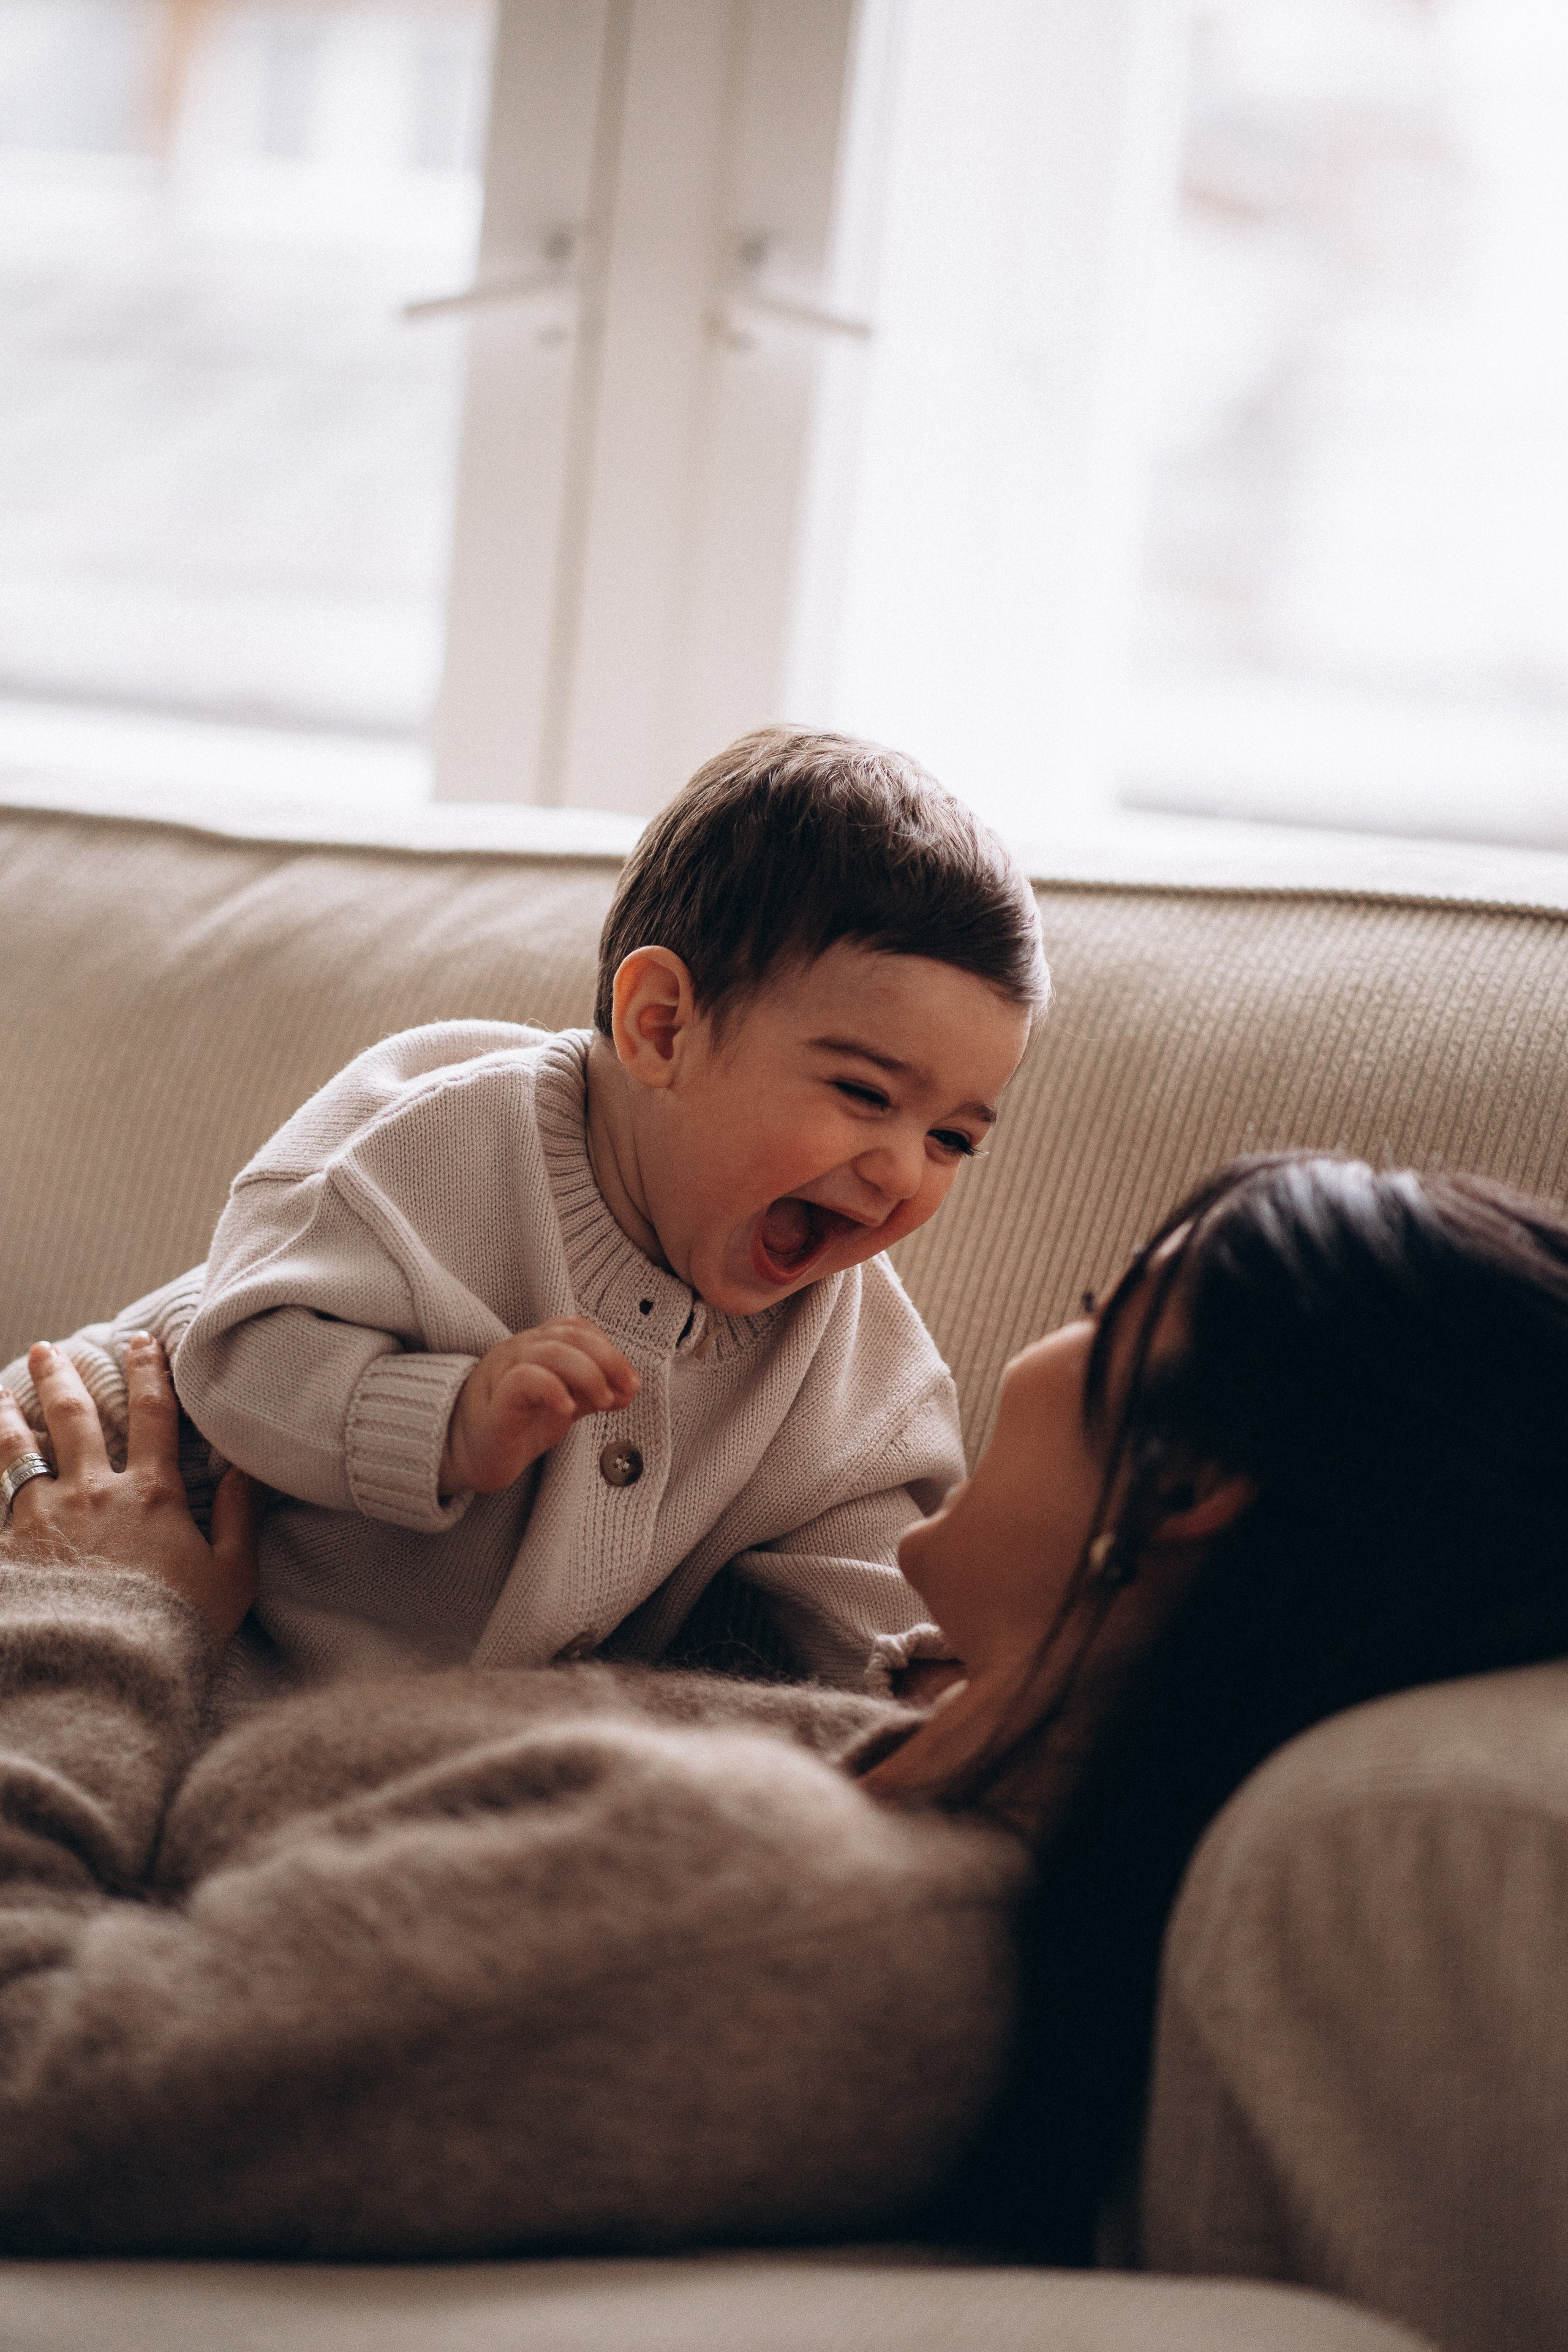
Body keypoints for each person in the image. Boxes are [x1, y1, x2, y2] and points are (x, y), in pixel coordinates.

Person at [3, 1151, 1565, 2259]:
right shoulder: (911, 1766)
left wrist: (99, 1612)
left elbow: (34, 2076)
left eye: (1104, 1305)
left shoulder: (776, 1932)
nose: (1033, 1346)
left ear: (1187, 1486)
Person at [0, 728, 1046, 1714]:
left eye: (954, 1139)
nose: (903, 1169)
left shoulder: (842, 1341)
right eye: (865, 1095)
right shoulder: (437, 1132)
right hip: (79, 1493)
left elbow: (866, 1540)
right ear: (663, 1028)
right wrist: (444, 1422)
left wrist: (924, 1682)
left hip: (332, 1743)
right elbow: (237, 1356)